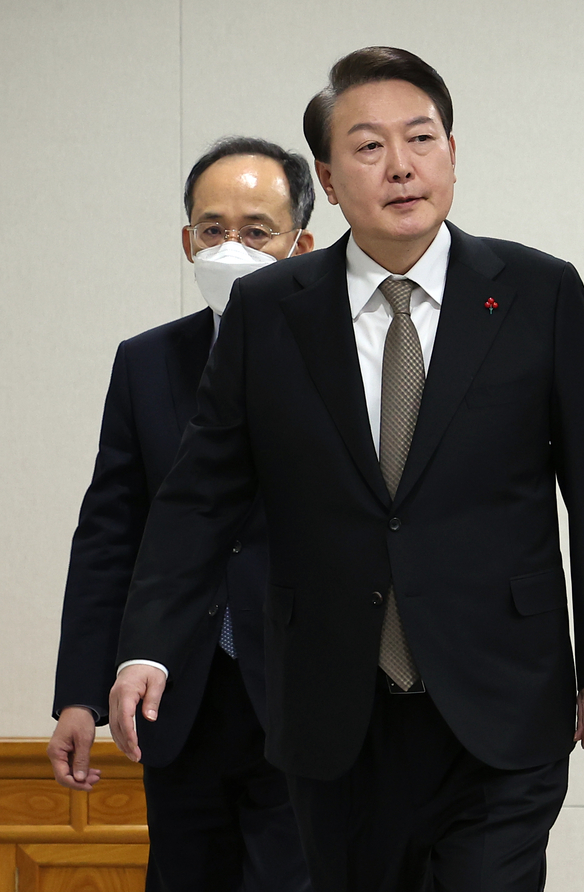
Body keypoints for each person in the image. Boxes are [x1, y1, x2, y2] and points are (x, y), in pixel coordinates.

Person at [109, 48, 584, 892]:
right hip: (333, 706)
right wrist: (148, 645)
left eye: (421, 138)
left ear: (452, 154)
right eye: (368, 146)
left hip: (501, 693)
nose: (401, 165)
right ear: (327, 178)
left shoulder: (538, 292)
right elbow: (199, 498)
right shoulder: (269, 311)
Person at [48, 136, 315, 892]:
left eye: (256, 231)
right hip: (178, 691)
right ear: (187, 240)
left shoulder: (345, 360)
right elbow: (110, 533)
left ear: (301, 245)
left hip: (304, 688)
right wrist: (81, 693)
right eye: (213, 228)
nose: (232, 247)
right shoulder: (147, 362)